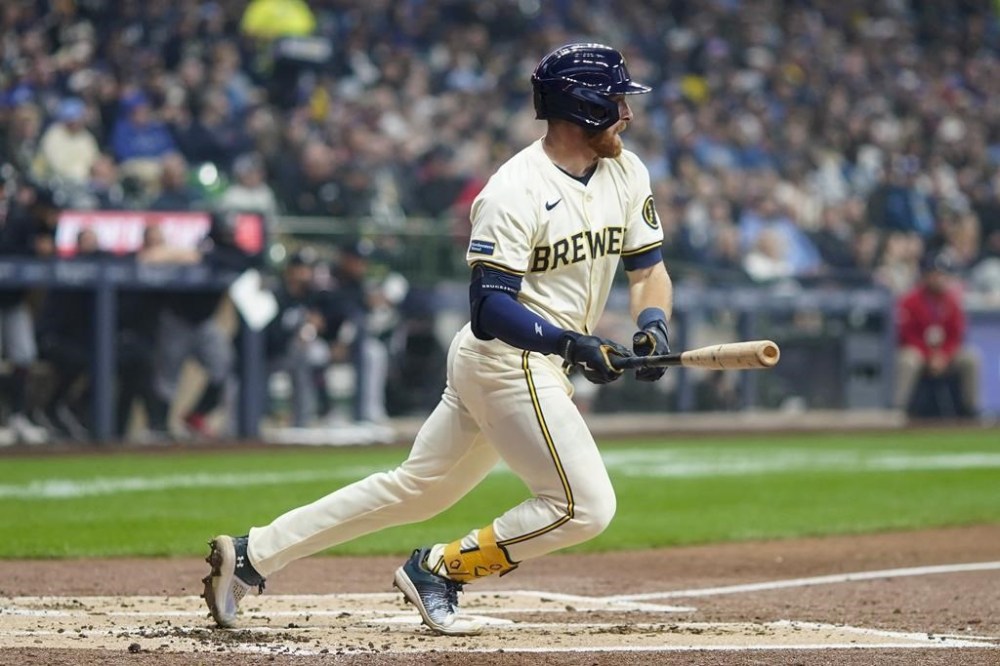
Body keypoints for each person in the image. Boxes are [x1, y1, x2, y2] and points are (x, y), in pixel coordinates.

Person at [203, 43, 672, 636]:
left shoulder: (626, 172)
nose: (626, 114)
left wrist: (653, 326)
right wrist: (571, 345)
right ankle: (440, 570)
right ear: (582, 106)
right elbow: (490, 308)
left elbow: (649, 271)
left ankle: (254, 554)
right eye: (616, 100)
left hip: (529, 361)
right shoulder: (514, 190)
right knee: (585, 507)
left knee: (417, 490)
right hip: (508, 359)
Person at [894, 250, 981, 417]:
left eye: (942, 275)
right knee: (908, 360)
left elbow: (956, 336)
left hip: (945, 354)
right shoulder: (910, 300)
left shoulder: (952, 301)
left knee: (970, 358)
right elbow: (907, 335)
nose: (939, 279)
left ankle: (971, 411)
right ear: (926, 276)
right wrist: (929, 355)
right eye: (935, 274)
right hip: (918, 351)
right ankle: (898, 409)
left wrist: (944, 356)